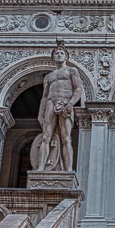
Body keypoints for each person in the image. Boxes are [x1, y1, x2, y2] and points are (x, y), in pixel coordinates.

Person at [35, 39, 84, 172]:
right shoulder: (48, 76)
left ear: (66, 56)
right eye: (56, 53)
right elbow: (44, 97)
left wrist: (70, 104)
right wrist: (40, 113)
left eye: (61, 53)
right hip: (51, 103)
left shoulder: (71, 71)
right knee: (46, 136)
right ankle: (40, 168)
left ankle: (68, 170)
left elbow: (78, 89)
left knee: (66, 137)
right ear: (53, 57)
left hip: (64, 103)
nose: (59, 55)